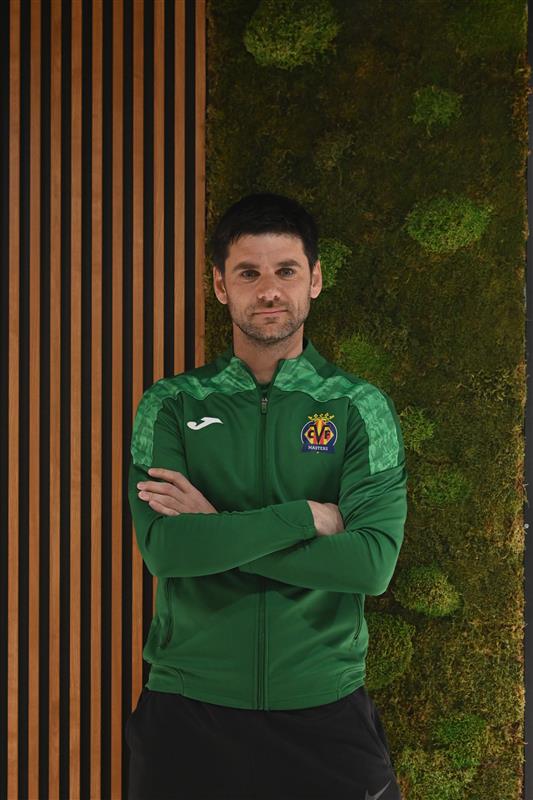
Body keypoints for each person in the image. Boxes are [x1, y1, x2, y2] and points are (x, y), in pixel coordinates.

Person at [125, 192, 408, 799]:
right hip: (189, 711)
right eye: (248, 273)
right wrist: (304, 516)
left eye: (286, 271)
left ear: (315, 280)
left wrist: (216, 526)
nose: (269, 290)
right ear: (221, 285)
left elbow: (370, 564)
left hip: (324, 707)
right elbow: (167, 551)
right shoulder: (171, 404)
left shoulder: (360, 407)